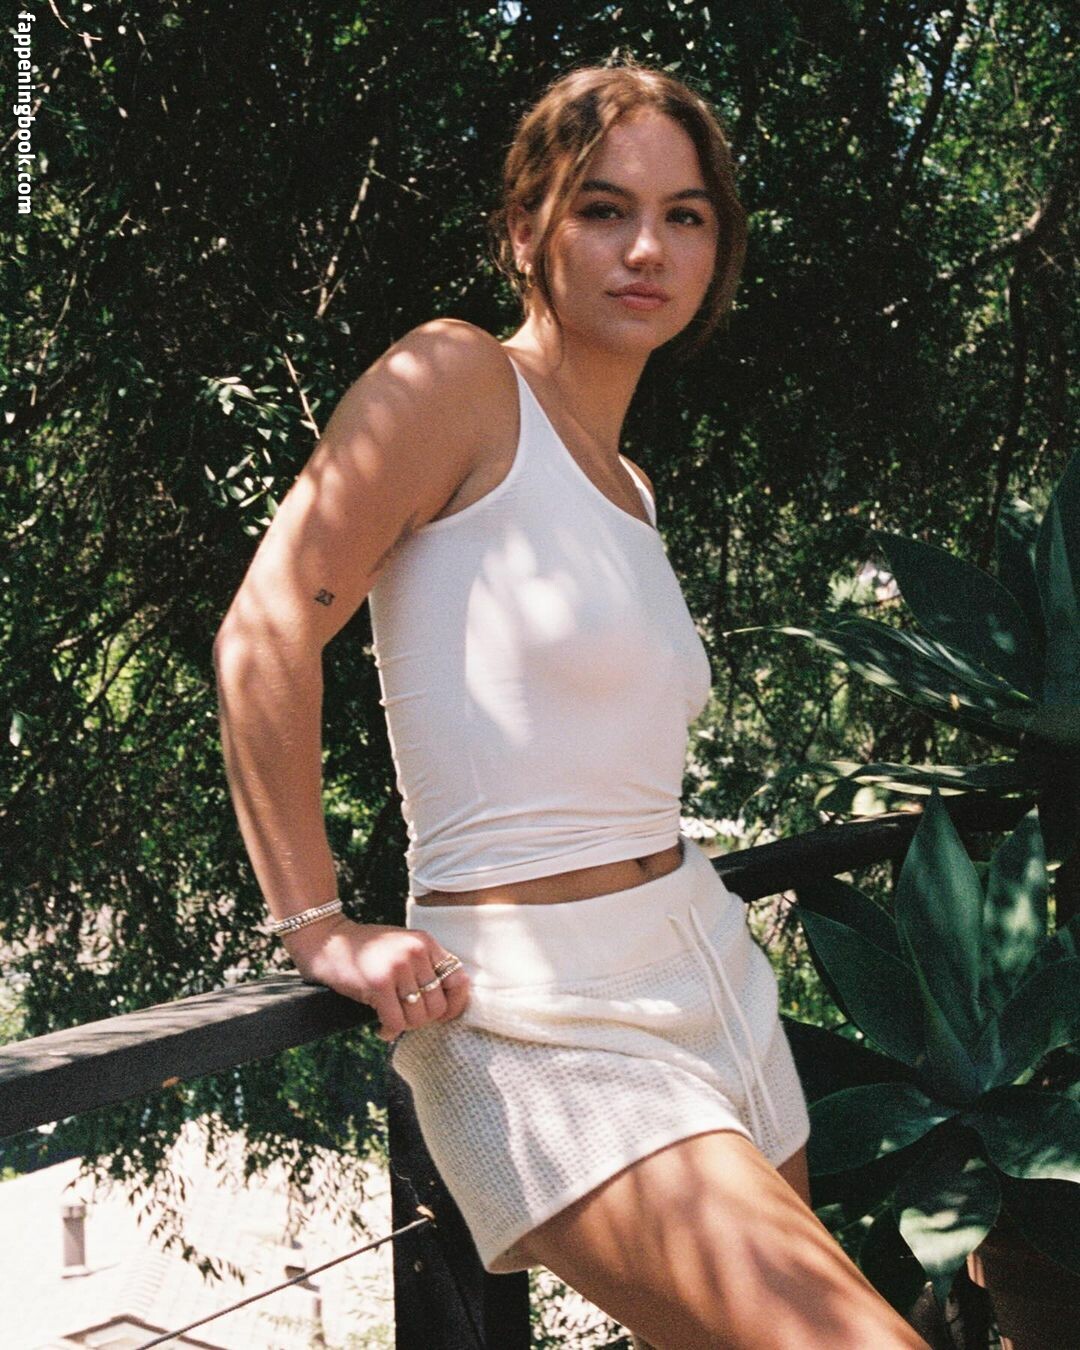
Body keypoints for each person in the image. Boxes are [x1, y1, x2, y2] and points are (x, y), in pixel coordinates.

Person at [213, 61, 930, 1350]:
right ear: (522, 232)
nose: (647, 247)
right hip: (541, 1020)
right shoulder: (453, 381)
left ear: (717, 250)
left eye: (684, 215)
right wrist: (317, 926)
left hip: (707, 971)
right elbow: (265, 634)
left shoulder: (630, 487)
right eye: (603, 209)